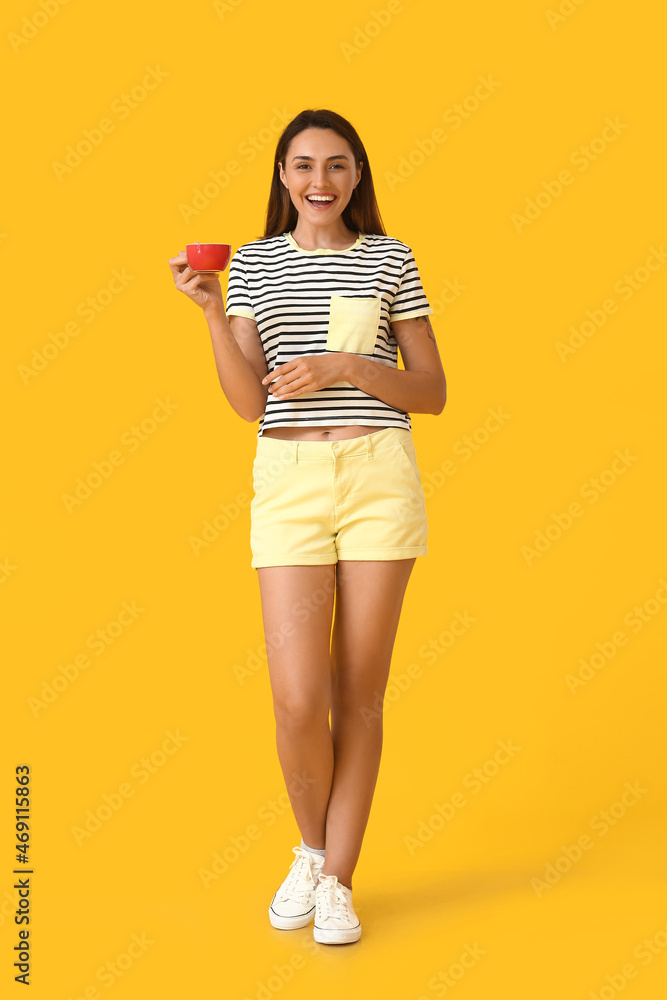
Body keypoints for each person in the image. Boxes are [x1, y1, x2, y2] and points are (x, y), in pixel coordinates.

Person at [168, 108, 447, 946]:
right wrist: (214, 315)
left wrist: (352, 368)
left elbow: (431, 391)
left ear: (356, 174)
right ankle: (312, 849)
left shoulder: (390, 260)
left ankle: (337, 882)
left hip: (376, 477)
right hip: (288, 478)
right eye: (301, 167)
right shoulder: (251, 265)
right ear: (282, 177)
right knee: (297, 699)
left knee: (357, 693)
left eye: (334, 165)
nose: (317, 182)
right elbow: (252, 402)